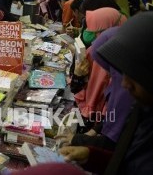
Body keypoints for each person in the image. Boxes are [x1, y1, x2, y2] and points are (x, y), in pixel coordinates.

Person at [60, 12, 153, 175]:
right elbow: (127, 161)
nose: (124, 84)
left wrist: (82, 141)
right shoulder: (143, 110)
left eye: (132, 75)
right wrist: (92, 157)